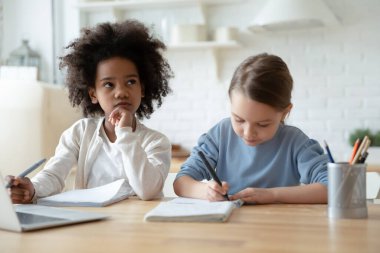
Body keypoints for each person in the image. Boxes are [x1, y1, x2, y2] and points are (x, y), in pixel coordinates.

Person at [7, 20, 173, 203]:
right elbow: (54, 174)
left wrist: (125, 133)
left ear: (142, 89)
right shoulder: (80, 133)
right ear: (93, 94)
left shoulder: (156, 142)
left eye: (131, 82)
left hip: (137, 227)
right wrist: (32, 188)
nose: (121, 92)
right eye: (109, 85)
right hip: (90, 224)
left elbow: (148, 191)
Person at [173, 53, 328, 204]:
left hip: (280, 226)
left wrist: (273, 195)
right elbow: (181, 182)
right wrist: (206, 191)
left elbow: (332, 187)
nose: (248, 133)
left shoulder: (295, 142)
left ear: (285, 113)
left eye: (263, 124)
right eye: (239, 120)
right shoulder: (220, 134)